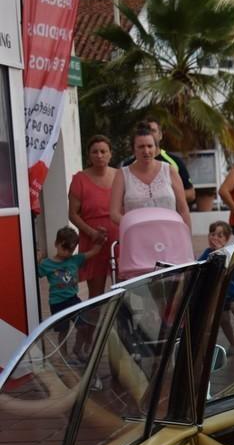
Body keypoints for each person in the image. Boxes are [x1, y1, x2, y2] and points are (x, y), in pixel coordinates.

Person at [37, 226, 106, 356]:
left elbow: (94, 251)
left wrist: (101, 237)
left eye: (71, 250)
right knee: (63, 330)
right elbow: (35, 274)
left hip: (73, 300)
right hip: (57, 303)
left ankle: (77, 349)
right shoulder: (46, 264)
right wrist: (37, 260)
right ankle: (65, 357)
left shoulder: (75, 259)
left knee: (83, 326)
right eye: (65, 248)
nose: (68, 253)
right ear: (56, 244)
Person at [110, 125, 192, 228]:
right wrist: (134, 224)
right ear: (133, 149)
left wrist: (187, 239)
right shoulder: (122, 174)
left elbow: (183, 210)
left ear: (155, 147)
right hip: (137, 236)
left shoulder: (169, 170)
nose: (146, 151)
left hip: (169, 235)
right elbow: (114, 213)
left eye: (149, 146)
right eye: (141, 147)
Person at [68, 135, 118, 299]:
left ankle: (121, 324)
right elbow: (73, 214)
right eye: (95, 152)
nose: (99, 155)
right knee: (96, 294)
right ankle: (94, 324)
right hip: (92, 242)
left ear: (110, 154)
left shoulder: (121, 176)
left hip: (119, 239)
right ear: (89, 155)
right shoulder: (80, 179)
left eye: (103, 151)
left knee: (123, 287)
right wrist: (92, 233)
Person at [200, 221, 234, 355]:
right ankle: (233, 345)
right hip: (219, 292)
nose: (215, 238)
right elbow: (200, 267)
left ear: (226, 239)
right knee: (223, 319)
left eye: (220, 235)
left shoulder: (230, 252)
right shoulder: (207, 253)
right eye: (212, 234)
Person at [120, 117, 195, 204]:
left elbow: (191, 193)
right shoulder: (128, 166)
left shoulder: (174, 162)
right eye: (145, 130)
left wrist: (164, 195)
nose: (149, 134)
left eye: (153, 130)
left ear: (160, 135)